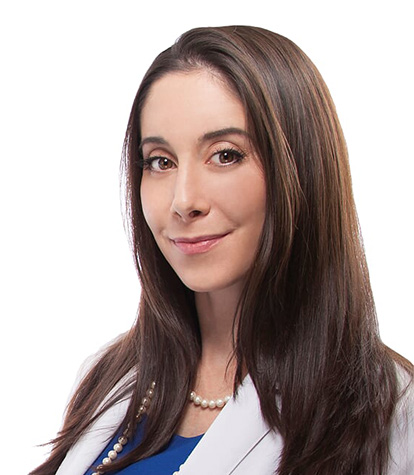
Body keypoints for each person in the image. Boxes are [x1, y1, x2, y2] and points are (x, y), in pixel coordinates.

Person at [32, 25, 413, 475]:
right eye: (160, 161)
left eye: (225, 155)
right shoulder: (105, 377)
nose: (184, 200)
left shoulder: (389, 411)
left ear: (301, 168)